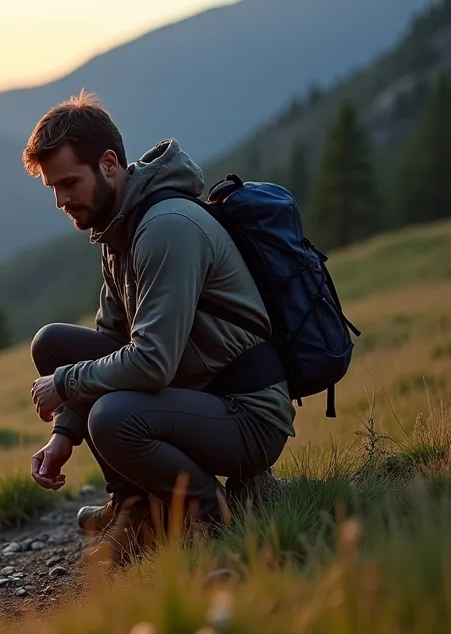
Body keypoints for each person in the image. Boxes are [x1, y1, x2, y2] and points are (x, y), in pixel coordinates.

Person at [21, 91, 294, 562]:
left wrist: (64, 385)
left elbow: (152, 363)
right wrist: (63, 434)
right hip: (196, 397)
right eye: (53, 189)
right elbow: (108, 340)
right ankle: (135, 508)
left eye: (68, 183)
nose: (61, 200)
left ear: (109, 164)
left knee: (112, 417)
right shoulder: (118, 229)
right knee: (55, 344)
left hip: (245, 413)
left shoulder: (166, 227)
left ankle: (209, 514)